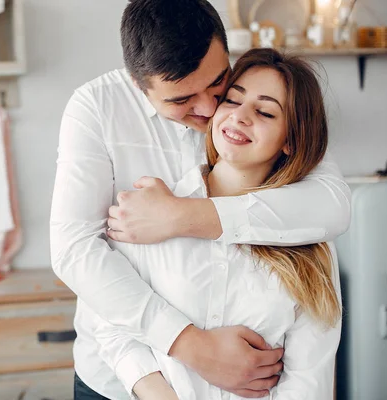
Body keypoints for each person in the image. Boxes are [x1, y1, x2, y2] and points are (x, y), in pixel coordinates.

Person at [50, 0, 350, 398]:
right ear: (139, 85)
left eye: (218, 85)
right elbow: (75, 253)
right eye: (181, 100)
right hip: (117, 382)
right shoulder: (96, 109)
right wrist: (192, 347)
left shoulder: (257, 88)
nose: (210, 109)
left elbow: (333, 204)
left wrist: (183, 216)